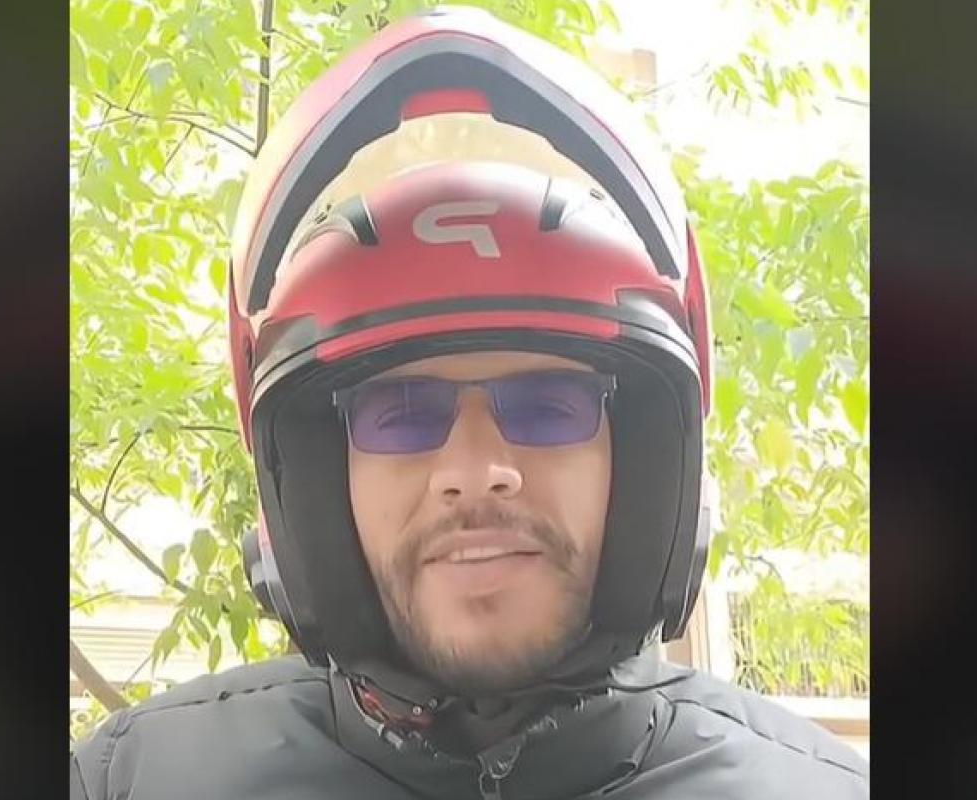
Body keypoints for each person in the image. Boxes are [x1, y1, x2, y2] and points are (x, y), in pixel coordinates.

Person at [71, 8, 868, 799]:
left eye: (550, 405)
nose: (478, 470)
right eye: (401, 413)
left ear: (644, 464)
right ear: (312, 489)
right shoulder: (127, 781)